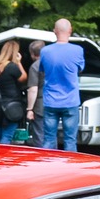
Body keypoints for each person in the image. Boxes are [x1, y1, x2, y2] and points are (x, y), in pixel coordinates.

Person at [38, 19, 84, 151]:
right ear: (70, 30)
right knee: (70, 140)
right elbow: (80, 69)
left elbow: (42, 70)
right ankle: (70, 163)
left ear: (54, 31)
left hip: (51, 101)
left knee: (48, 139)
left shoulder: (45, 51)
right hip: (71, 101)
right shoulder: (78, 50)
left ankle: (47, 162)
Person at [25, 39, 46, 147]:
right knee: (51, 136)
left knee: (39, 136)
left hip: (40, 105)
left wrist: (30, 109)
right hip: (54, 103)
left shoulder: (35, 66)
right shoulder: (53, 63)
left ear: (32, 54)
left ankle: (42, 155)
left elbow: (33, 89)